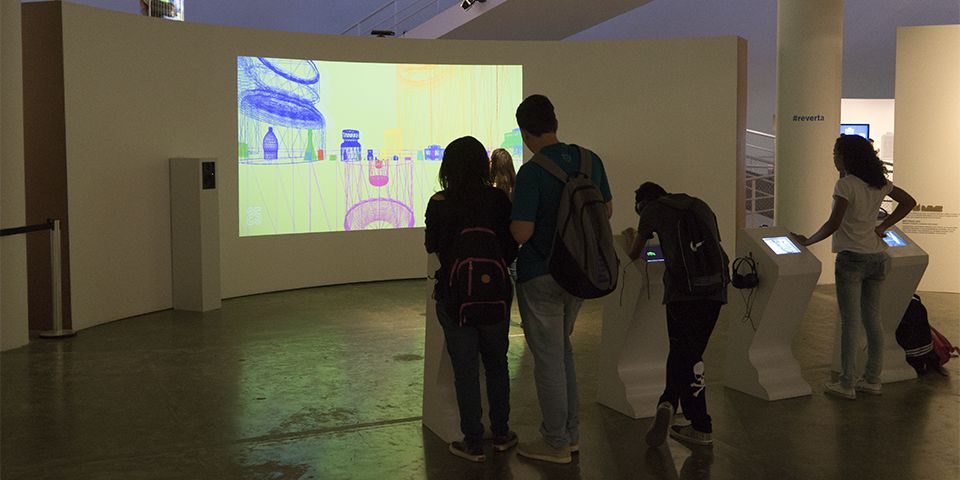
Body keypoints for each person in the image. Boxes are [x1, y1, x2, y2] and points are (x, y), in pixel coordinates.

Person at [510, 94, 613, 464]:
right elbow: (606, 210)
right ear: (555, 122)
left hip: (541, 276)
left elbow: (522, 233)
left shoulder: (532, 172)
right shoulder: (590, 160)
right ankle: (570, 435)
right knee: (563, 352)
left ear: (525, 133)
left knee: (549, 359)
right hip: (580, 274)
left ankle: (555, 442)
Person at [791, 134, 916, 400]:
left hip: (851, 259)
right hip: (876, 257)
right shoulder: (879, 183)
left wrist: (808, 241)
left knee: (850, 322)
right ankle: (872, 379)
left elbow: (833, 223)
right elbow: (909, 202)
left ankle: (846, 383)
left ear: (846, 156)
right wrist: (883, 226)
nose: (834, 158)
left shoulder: (845, 185)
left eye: (836, 153)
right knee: (873, 320)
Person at [425, 136, 519, 462]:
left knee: (465, 370)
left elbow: (432, 246)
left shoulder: (439, 202)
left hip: (455, 298)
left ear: (447, 166)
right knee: (497, 365)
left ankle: (474, 442)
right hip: (495, 295)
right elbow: (510, 248)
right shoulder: (498, 200)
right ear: (483, 165)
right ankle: (502, 433)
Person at [628, 181, 728, 447]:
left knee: (682, 352)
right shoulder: (699, 204)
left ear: (642, 204)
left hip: (682, 294)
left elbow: (634, 252)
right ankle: (673, 404)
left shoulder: (651, 210)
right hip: (716, 290)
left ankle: (694, 420)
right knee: (691, 355)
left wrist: (632, 238)